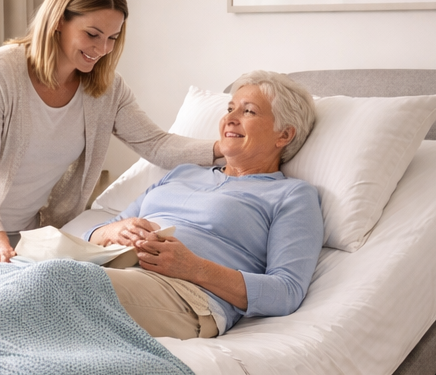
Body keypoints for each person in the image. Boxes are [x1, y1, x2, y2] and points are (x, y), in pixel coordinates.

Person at [0, 0, 220, 278]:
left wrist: (225, 149)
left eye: (112, 38)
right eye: (92, 34)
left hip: (23, 239)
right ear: (59, 20)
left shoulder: (107, 90)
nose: (102, 50)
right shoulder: (0, 71)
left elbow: (157, 144)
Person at [88, 71, 323, 341]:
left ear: (284, 135)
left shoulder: (292, 194)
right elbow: (95, 235)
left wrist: (195, 268)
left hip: (187, 297)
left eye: (249, 111)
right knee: (34, 270)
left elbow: (286, 292)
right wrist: (114, 231)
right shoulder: (182, 173)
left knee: (59, 280)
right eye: (230, 108)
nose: (230, 119)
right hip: (113, 270)